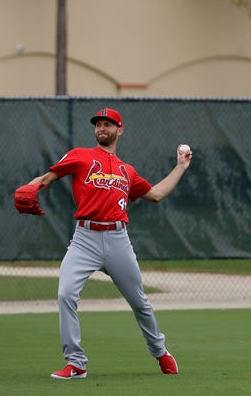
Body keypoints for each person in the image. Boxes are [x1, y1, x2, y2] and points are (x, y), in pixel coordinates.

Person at [16, 107, 192, 380]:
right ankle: (76, 363)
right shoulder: (80, 156)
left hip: (118, 239)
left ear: (119, 130)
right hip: (84, 239)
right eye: (98, 124)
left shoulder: (127, 171)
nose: (101, 129)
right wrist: (32, 188)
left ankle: (160, 351)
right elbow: (48, 177)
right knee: (65, 294)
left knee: (140, 302)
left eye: (108, 124)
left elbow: (156, 194)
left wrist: (180, 167)